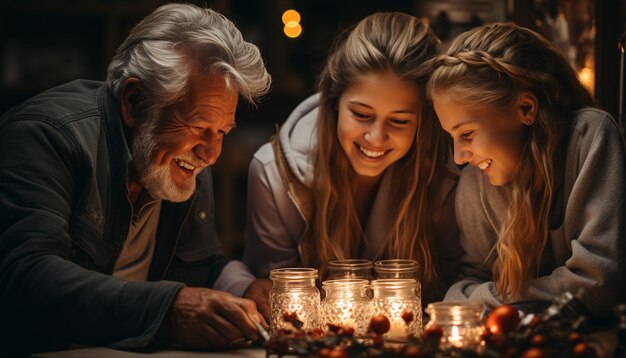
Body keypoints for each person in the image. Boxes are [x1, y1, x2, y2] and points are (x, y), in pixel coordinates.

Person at [0, 3, 271, 356]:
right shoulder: (45, 136)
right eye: (198, 127)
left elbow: (202, 266)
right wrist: (169, 310)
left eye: (222, 131)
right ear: (133, 101)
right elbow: (25, 275)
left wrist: (245, 288)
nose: (211, 153)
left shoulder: (184, 164)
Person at [242, 12, 461, 320]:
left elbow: (461, 280)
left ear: (423, 122)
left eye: (399, 121)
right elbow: (273, 295)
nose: (376, 137)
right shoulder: (274, 175)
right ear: (333, 102)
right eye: (360, 114)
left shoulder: (446, 174)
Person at [427, 22, 625, 317]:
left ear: (526, 110)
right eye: (451, 138)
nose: (458, 157)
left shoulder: (589, 137)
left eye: (467, 134)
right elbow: (464, 284)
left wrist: (483, 300)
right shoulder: (475, 178)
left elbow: (597, 285)